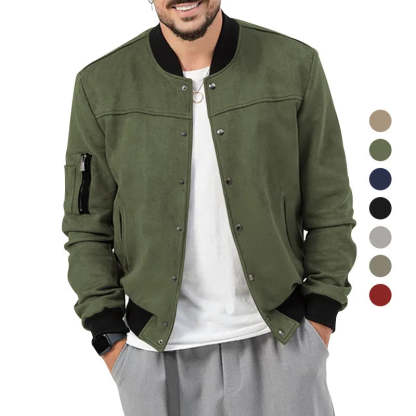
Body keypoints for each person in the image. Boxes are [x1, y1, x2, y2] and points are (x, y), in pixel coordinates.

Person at [62, 1, 357, 415]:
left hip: (283, 342)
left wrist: (321, 317)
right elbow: (86, 227)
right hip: (154, 357)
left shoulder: (294, 66)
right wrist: (109, 338)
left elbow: (330, 204)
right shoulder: (101, 86)